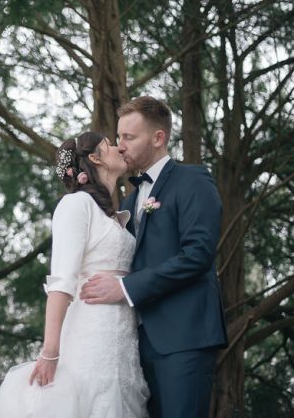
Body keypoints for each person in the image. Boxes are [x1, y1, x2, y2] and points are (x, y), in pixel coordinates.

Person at [80, 96, 229, 418]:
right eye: (119, 137)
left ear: (158, 138)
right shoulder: (132, 199)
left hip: (185, 337)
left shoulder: (193, 180)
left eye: (129, 138)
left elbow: (197, 255)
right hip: (136, 344)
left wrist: (125, 288)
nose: (120, 146)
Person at [0, 131, 149, 418]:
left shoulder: (112, 216)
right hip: (91, 334)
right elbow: (62, 281)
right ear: (94, 158)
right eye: (109, 146)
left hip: (122, 336)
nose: (118, 148)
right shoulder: (75, 205)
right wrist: (50, 351)